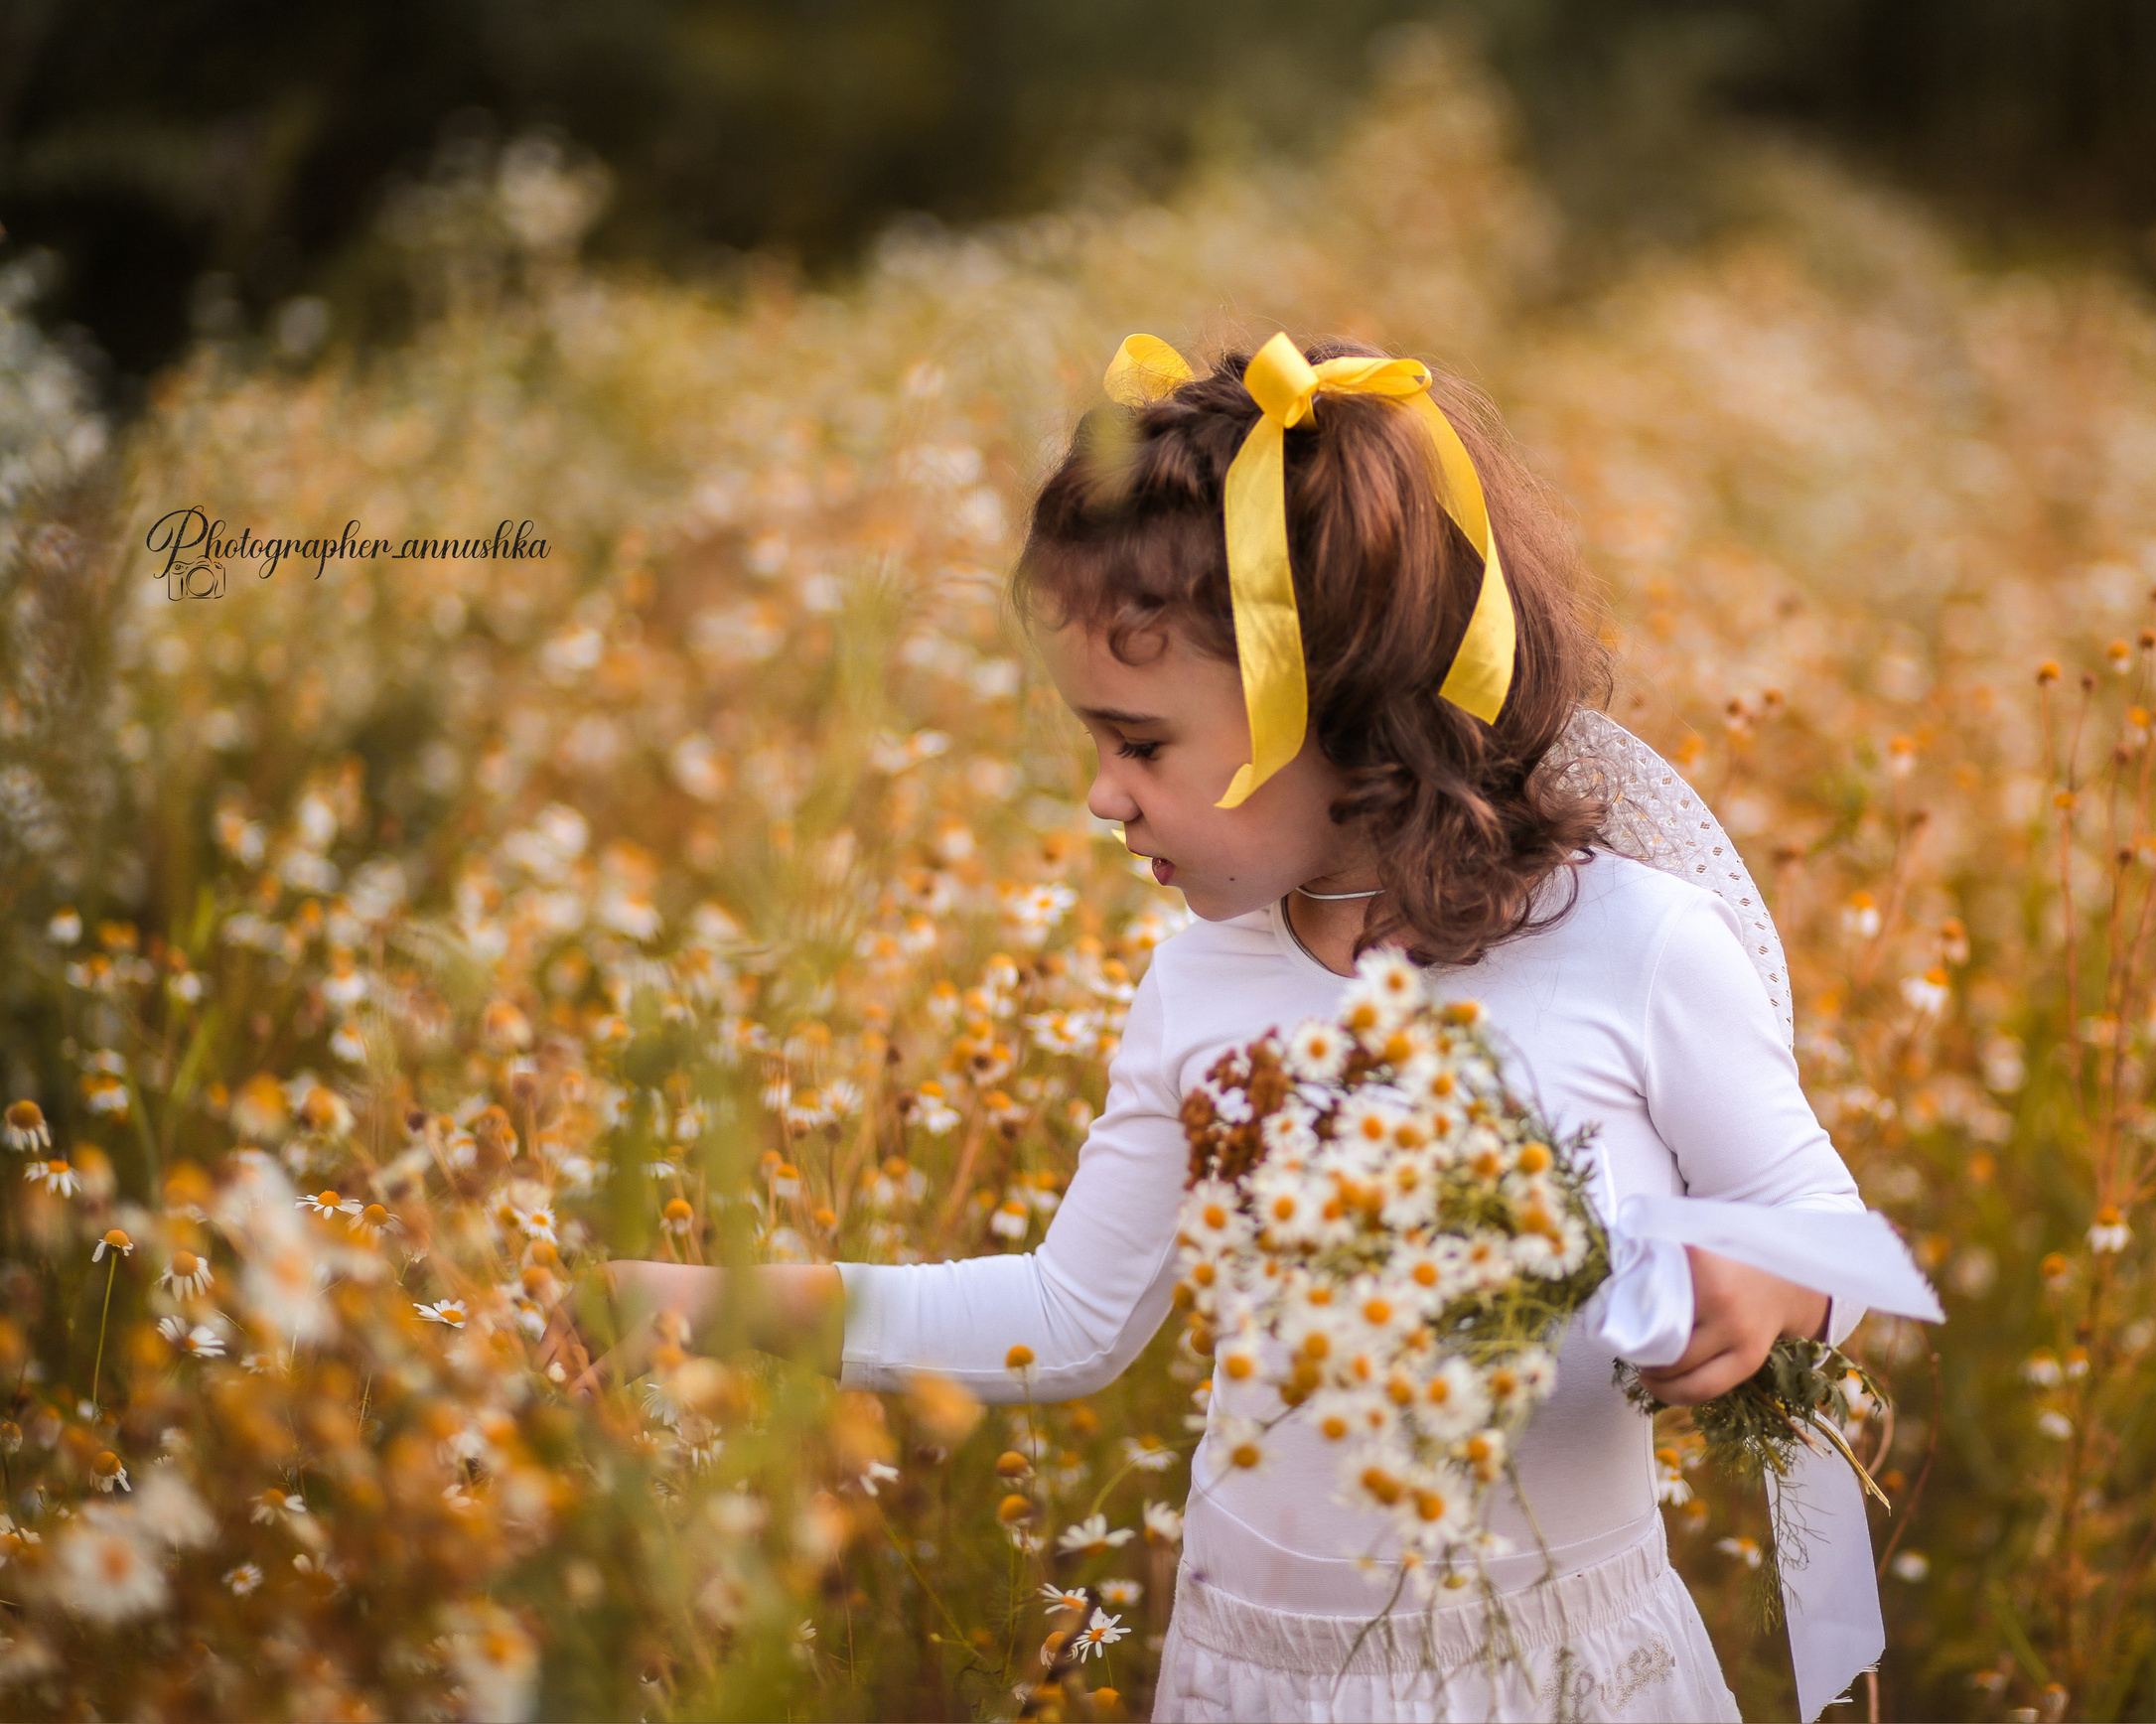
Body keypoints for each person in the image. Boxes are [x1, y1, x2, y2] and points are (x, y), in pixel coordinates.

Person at [572, 331, 1869, 1722]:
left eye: (1140, 744)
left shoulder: (1630, 946)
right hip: (1257, 1682)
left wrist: (1766, 1285)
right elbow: (1068, 1317)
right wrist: (699, 1305)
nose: (1103, 796)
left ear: (1347, 706)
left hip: (1550, 1684)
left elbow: (1827, 1231)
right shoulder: (1202, 987)